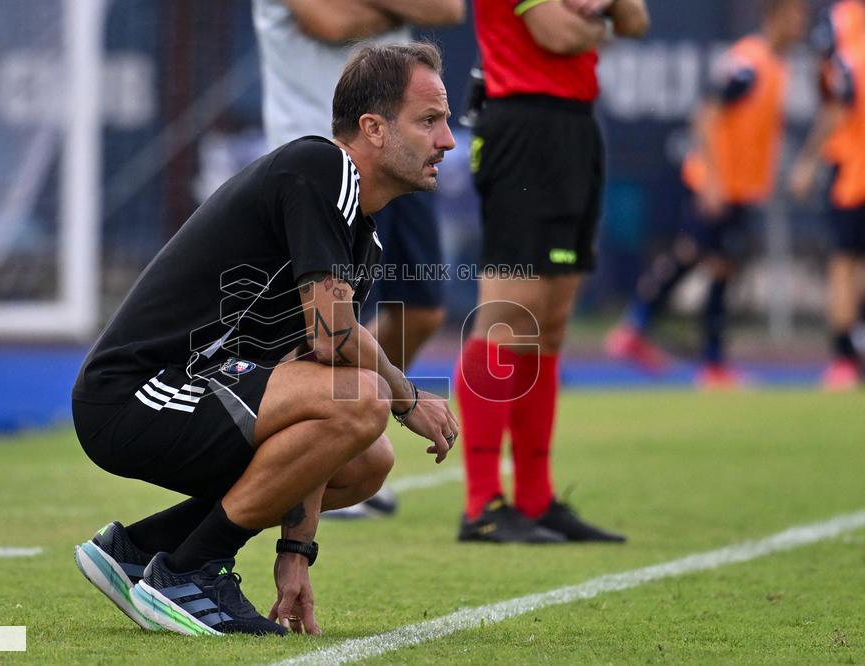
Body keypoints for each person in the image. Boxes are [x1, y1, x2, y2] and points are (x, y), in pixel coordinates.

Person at [71, 43, 458, 637]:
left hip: (201, 390)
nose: (448, 141)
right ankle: (189, 572)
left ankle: (142, 548)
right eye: (429, 120)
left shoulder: (364, 240)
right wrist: (409, 400)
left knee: (366, 462)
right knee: (363, 400)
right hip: (135, 394)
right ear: (373, 128)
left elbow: (318, 378)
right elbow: (334, 337)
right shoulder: (322, 168)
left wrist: (296, 554)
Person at [253, 0, 465, 518]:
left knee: (423, 308)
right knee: (329, 326)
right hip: (321, 152)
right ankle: (318, 459)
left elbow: (447, 9)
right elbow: (330, 22)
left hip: (396, 147)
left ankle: (343, 442)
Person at [455, 0, 648, 545]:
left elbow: (638, 18)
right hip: (522, 126)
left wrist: (600, 16)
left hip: (575, 127)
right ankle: (482, 505)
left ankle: (535, 500)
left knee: (550, 323)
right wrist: (600, 21)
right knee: (507, 316)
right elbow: (558, 33)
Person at [606, 0, 807, 389]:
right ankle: (692, 353)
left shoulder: (774, 65)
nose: (801, 23)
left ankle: (648, 332)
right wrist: (714, 181)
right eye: (795, 15)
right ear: (775, 18)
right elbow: (707, 113)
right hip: (720, 185)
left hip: (740, 186)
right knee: (706, 261)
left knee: (705, 259)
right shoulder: (750, 64)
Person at [790, 0, 865, 390]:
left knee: (844, 263)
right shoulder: (844, 26)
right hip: (852, 165)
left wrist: (806, 161)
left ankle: (844, 357)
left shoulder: (843, 38)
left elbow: (836, 103)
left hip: (853, 169)